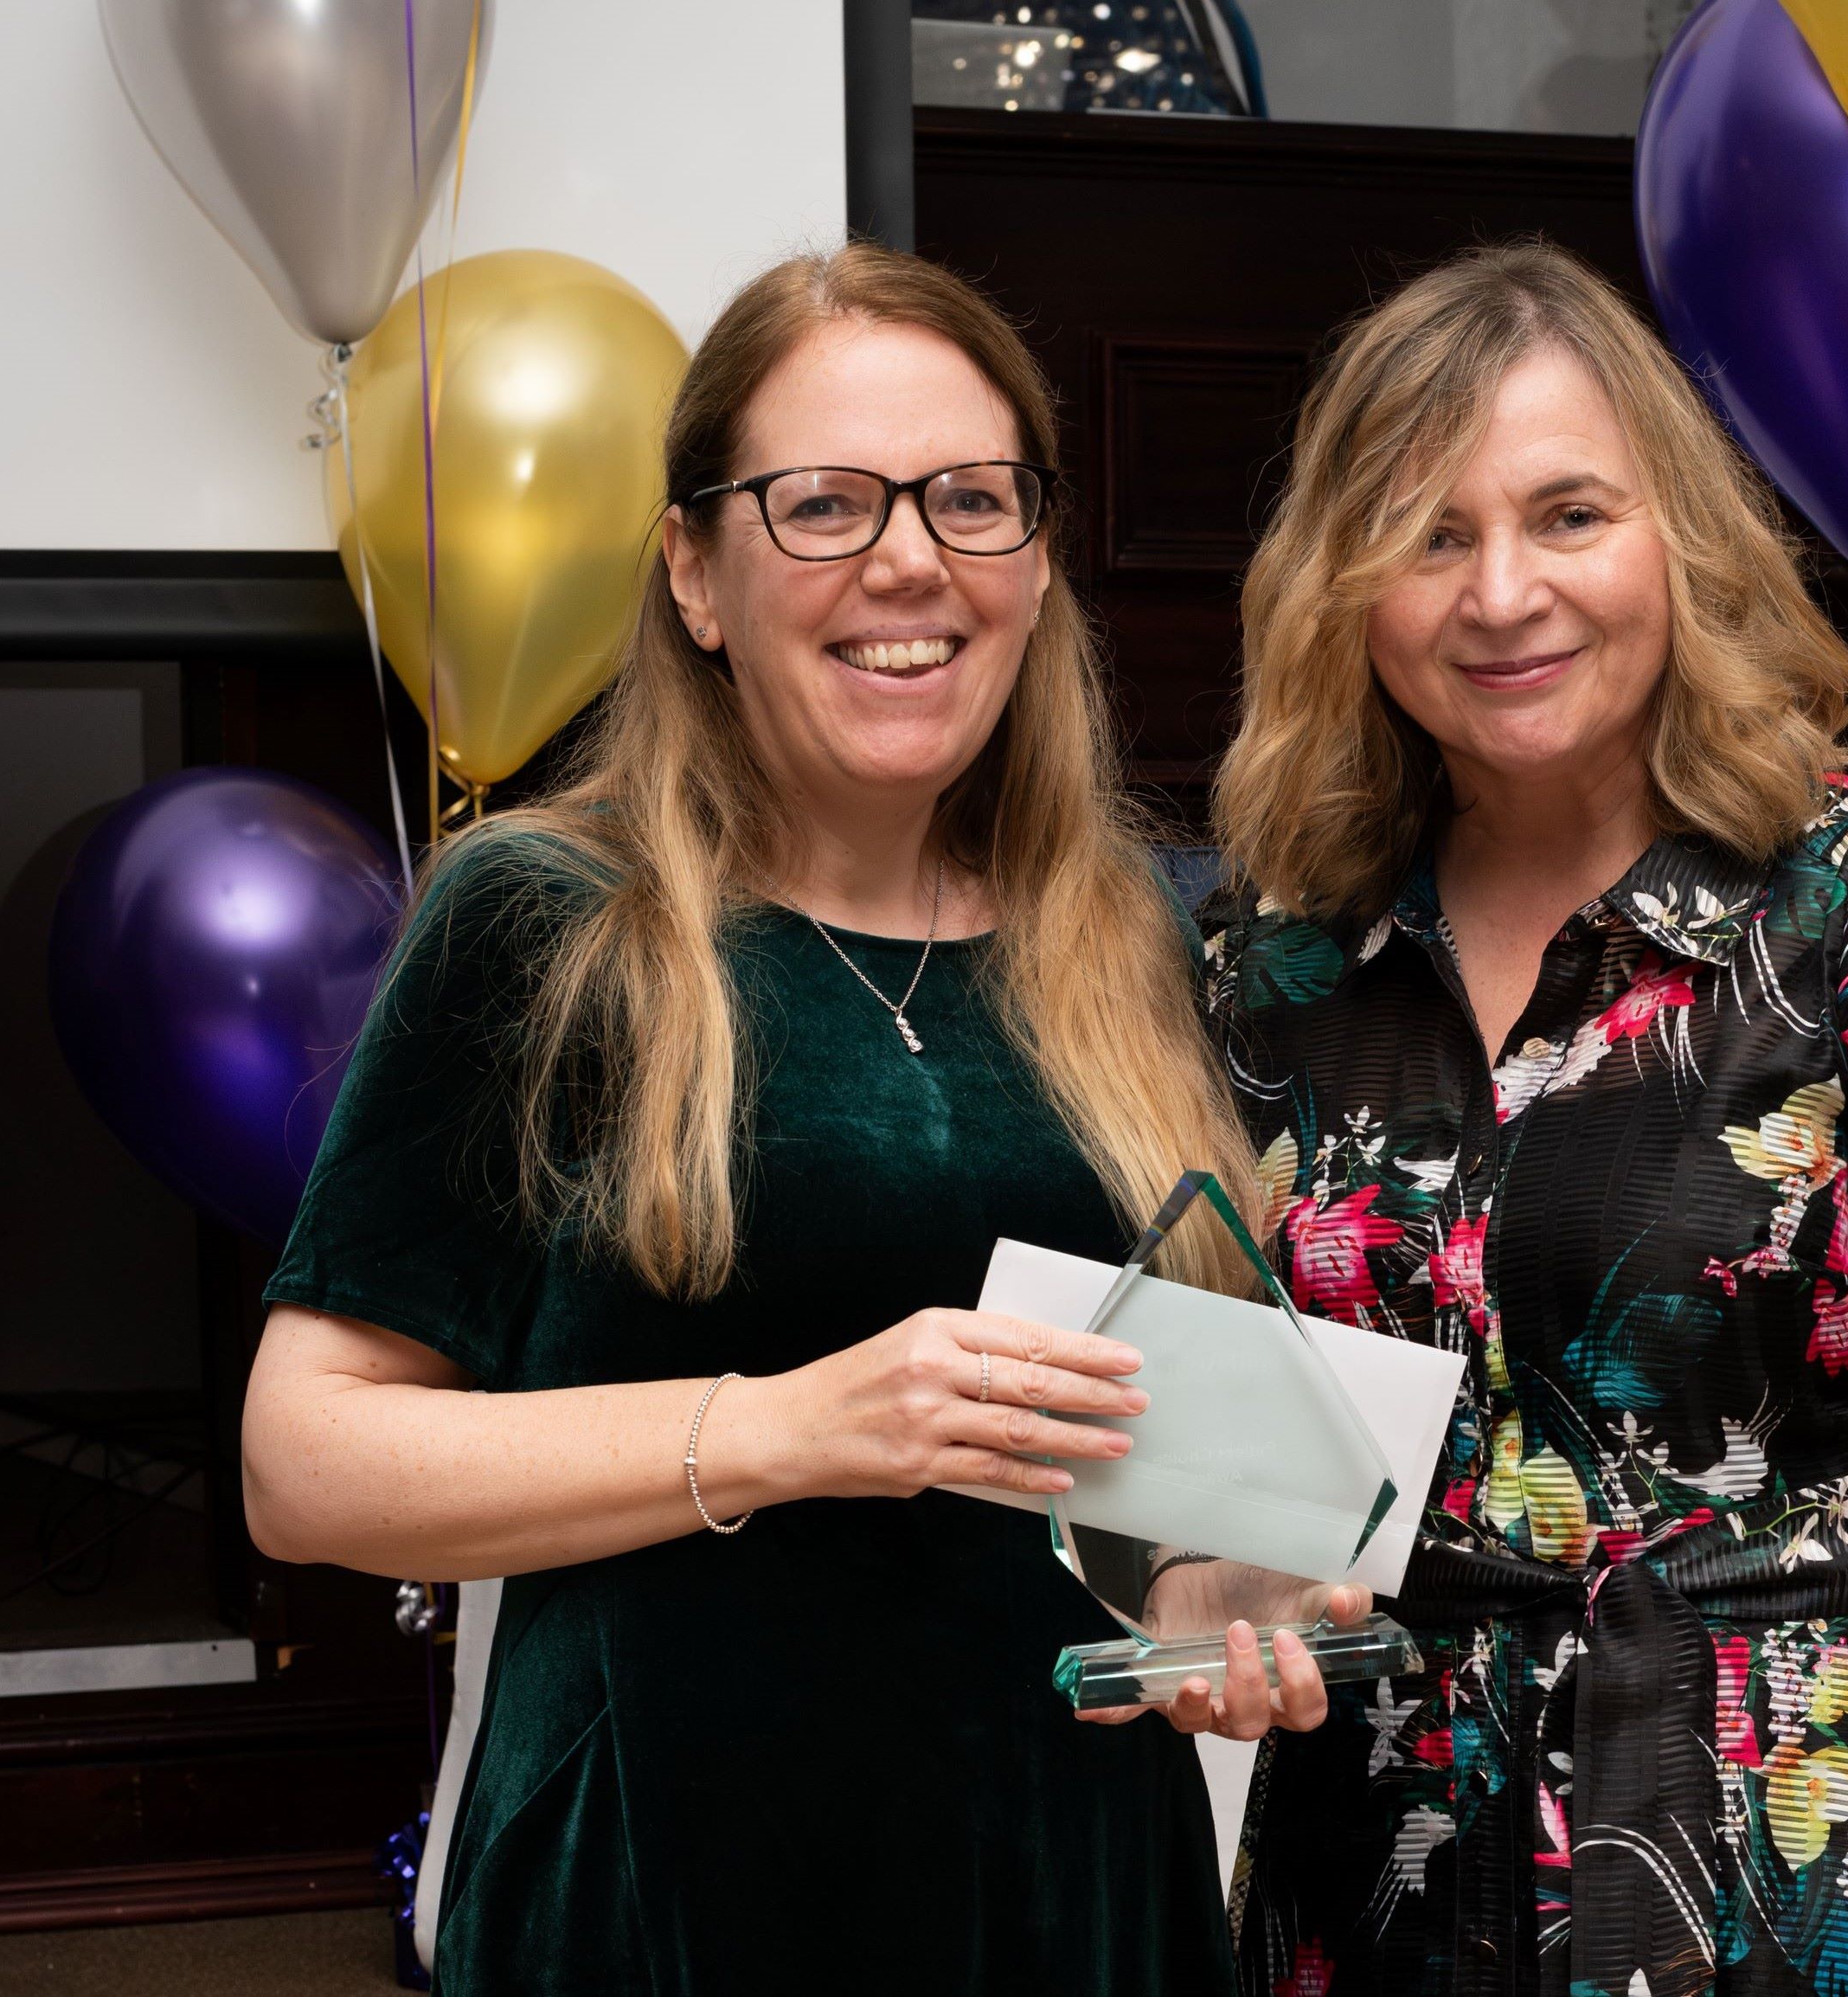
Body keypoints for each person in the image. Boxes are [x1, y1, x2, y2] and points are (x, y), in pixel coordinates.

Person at [1185, 242, 1848, 1997]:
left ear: (1677, 533)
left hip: (1787, 1895)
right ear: (1341, 590)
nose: (1500, 592)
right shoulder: (1279, 975)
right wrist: (1214, 1596)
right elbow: (1246, 1491)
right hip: (1379, 1899)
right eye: (1428, 536)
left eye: (1568, 515)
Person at [241, 244, 1257, 1996]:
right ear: (695, 573)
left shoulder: (1135, 936)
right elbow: (303, 1464)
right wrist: (790, 1426)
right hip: (668, 1892)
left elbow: (1155, 1469)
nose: (909, 560)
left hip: (1073, 1878)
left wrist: (1217, 1597)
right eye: (823, 504)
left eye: (970, 498)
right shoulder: (545, 920)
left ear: (1034, 562)